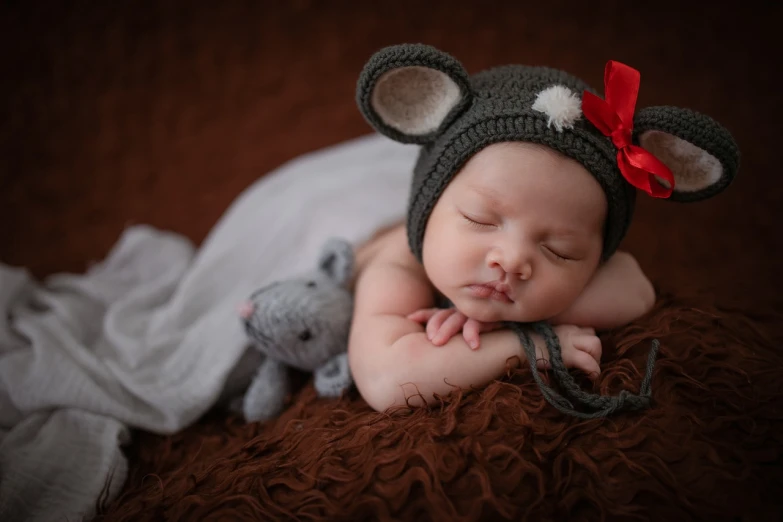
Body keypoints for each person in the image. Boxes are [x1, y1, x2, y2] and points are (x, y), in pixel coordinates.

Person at [347, 44, 739, 416]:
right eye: (481, 220)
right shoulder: (396, 264)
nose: (512, 260)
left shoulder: (562, 242)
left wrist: (507, 315)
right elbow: (387, 379)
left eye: (559, 251)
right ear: (427, 212)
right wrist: (529, 343)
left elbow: (634, 289)